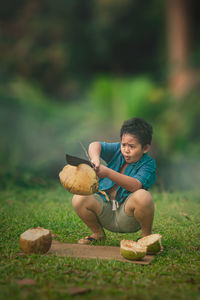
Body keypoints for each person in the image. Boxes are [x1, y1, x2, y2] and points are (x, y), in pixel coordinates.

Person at [72, 117, 156, 244]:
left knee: (143, 196)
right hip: (106, 211)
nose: (126, 150)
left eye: (132, 146)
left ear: (145, 148)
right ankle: (98, 233)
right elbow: (94, 145)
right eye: (124, 145)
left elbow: (135, 185)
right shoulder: (118, 150)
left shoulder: (148, 164)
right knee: (78, 198)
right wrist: (95, 159)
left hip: (127, 216)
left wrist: (107, 172)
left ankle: (147, 238)